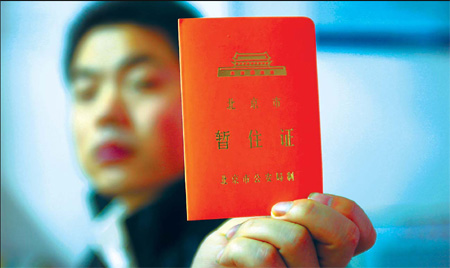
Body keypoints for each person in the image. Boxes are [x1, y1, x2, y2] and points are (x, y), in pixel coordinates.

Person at [63, 1, 376, 267]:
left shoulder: (257, 245)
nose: (105, 113)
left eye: (143, 83)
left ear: (205, 96)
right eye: (86, 91)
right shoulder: (102, 247)